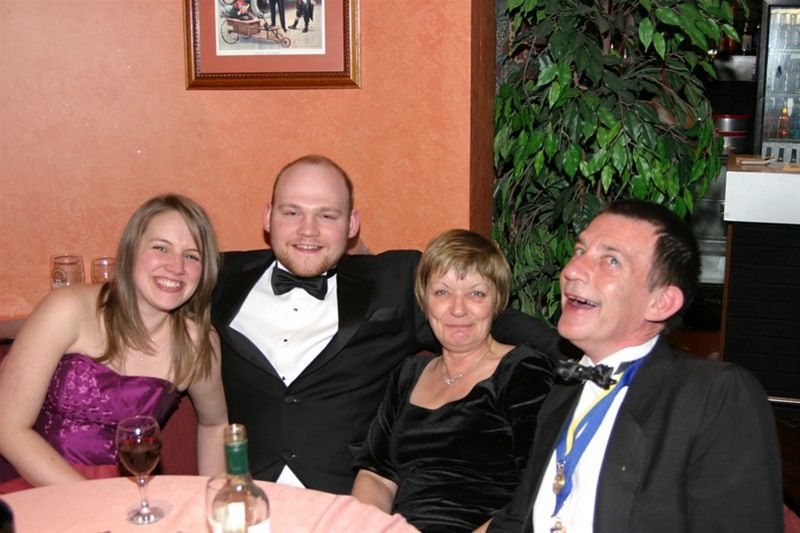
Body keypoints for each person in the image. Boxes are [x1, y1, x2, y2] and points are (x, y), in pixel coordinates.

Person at [211, 154, 563, 494]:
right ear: (268, 217)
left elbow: (489, 315)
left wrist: (582, 361)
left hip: (348, 503)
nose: (308, 230)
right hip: (244, 501)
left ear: (352, 224)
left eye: (327, 215)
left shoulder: (393, 281)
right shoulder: (217, 278)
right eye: (292, 212)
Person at [487, 199, 783, 532]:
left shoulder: (712, 395)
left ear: (661, 303)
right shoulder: (562, 395)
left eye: (611, 260)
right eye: (580, 251)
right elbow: (515, 522)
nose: (573, 270)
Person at [0, 194, 228, 493]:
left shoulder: (197, 343)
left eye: (192, 256)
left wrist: (213, 498)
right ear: (131, 251)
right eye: (161, 248)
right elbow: (8, 428)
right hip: (31, 483)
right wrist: (94, 500)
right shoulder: (68, 308)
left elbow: (214, 424)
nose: (176, 267)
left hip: (124, 495)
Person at [351, 229, 554, 532]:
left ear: (497, 300)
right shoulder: (407, 374)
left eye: (476, 293)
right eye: (442, 292)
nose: (458, 309)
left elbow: (539, 485)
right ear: (424, 300)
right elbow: (376, 476)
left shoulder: (523, 370)